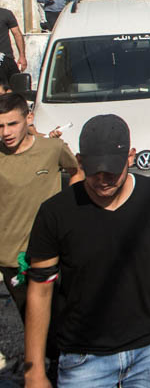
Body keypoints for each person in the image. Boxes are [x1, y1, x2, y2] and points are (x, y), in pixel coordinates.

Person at [23, 115, 150, 388]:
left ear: (131, 157)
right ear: (79, 161)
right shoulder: (54, 213)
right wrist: (35, 370)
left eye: (112, 170)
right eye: (94, 171)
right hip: (83, 359)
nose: (102, 180)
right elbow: (39, 290)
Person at [0, 93, 80, 378]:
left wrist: (72, 208)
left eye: (12, 124)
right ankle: (45, 368)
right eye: (0, 126)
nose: (6, 132)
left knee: (61, 312)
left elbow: (76, 170)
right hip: (11, 257)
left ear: (28, 119)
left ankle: (63, 366)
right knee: (32, 317)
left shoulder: (52, 148)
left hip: (53, 252)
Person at [0, 3, 27, 72]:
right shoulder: (6, 14)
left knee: (14, 81)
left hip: (5, 59)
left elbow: (17, 34)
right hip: (6, 59)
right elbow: (17, 34)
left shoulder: (5, 14)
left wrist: (22, 56)